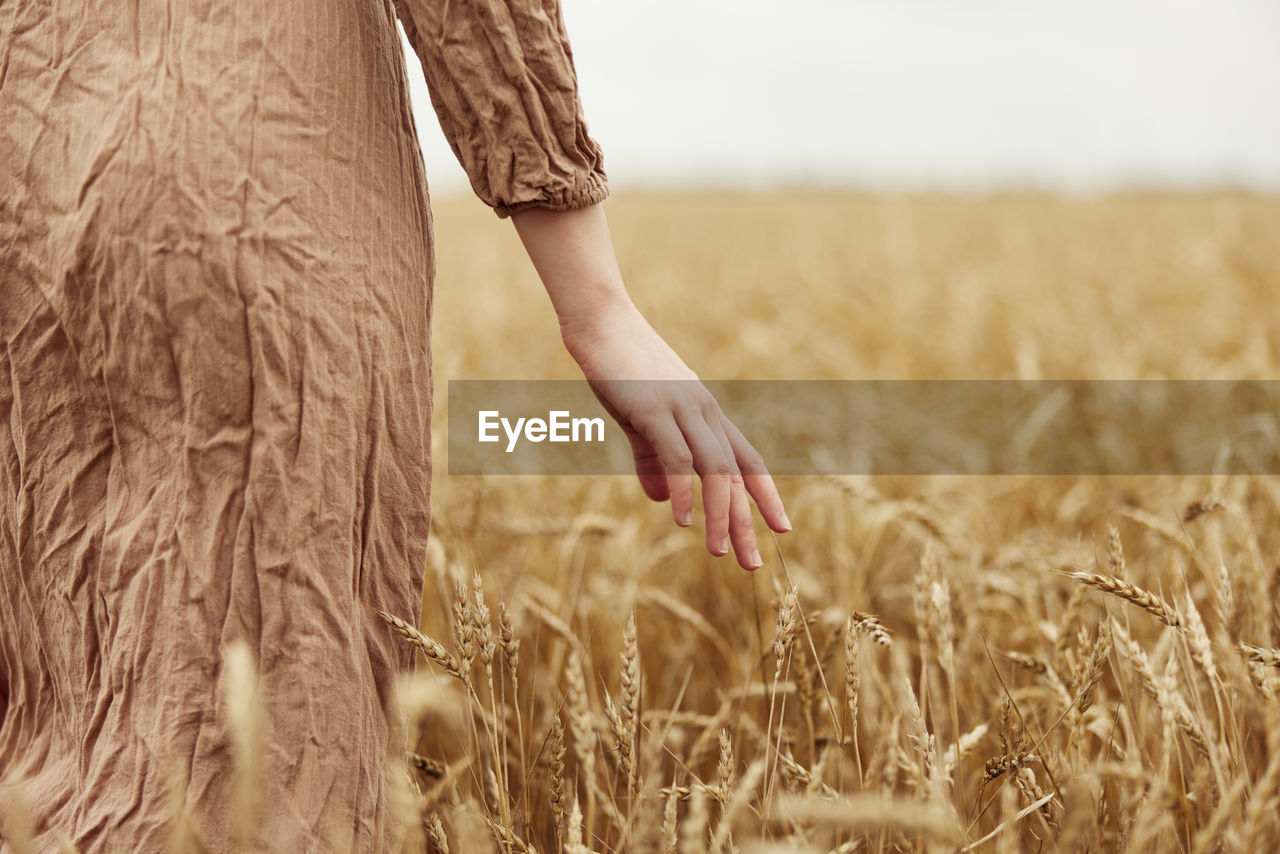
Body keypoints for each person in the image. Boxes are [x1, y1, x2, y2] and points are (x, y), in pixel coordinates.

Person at [0, 0, 789, 850]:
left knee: (60, 711)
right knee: (274, 738)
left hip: (33, 179)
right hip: (254, 177)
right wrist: (598, 306)